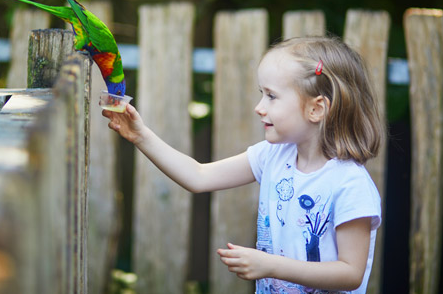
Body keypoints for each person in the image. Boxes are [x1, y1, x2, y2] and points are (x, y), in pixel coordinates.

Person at [102, 35, 384, 293]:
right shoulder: (274, 156)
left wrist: (270, 265)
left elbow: (351, 273)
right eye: (262, 93)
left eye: (271, 96)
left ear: (316, 108)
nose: (259, 107)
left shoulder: (350, 185)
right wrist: (141, 136)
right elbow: (198, 176)